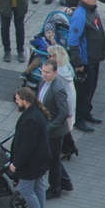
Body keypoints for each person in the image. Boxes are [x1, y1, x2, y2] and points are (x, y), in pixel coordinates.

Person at [11, 87, 52, 208]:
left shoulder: (31, 119)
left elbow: (27, 146)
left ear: (25, 101)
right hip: (40, 160)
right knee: (39, 187)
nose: (16, 102)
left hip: (32, 162)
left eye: (17, 99)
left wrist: (16, 163)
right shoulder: (34, 112)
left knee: (25, 189)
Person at [68, 0, 105, 132]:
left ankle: (86, 111)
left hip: (94, 58)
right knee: (84, 90)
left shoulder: (92, 10)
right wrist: (78, 63)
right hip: (85, 61)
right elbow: (73, 41)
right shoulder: (80, 14)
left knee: (92, 87)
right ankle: (79, 119)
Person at [37, 59, 73, 200]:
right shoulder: (43, 82)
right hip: (46, 126)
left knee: (52, 160)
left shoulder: (58, 89)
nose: (44, 75)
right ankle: (65, 182)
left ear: (55, 72)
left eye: (47, 73)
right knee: (54, 159)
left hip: (55, 132)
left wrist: (49, 128)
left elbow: (63, 113)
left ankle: (55, 189)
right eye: (43, 72)